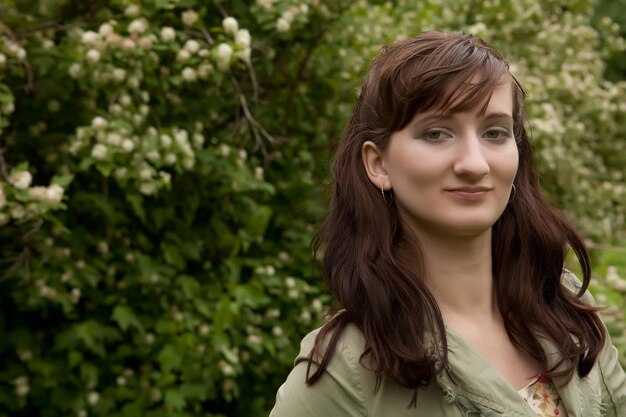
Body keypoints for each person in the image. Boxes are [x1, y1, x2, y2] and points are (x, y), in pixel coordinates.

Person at [269, 31, 625, 417]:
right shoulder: (348, 367)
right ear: (378, 164)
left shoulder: (564, 307)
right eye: (436, 133)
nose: (474, 163)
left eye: (494, 132)